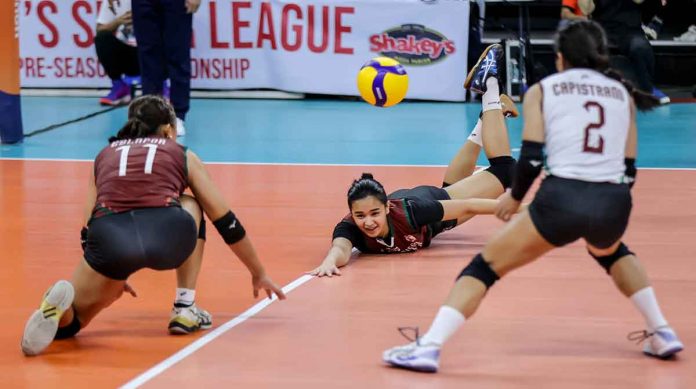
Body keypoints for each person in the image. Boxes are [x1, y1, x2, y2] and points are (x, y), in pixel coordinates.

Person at [383, 21, 683, 373]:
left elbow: (531, 156)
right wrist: (607, 204)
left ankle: (428, 347)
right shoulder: (621, 92)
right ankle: (662, 331)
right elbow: (629, 168)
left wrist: (515, 198)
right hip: (614, 201)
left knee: (484, 267)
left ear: (560, 58)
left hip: (562, 200)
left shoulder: (546, 89)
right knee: (612, 251)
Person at [21, 95, 286, 356]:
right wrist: (258, 271)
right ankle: (184, 307)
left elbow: (88, 225)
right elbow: (227, 222)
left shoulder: (104, 156)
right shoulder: (182, 154)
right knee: (192, 203)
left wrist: (112, 272)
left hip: (110, 240)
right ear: (169, 129)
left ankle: (60, 310)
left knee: (72, 326)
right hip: (167, 234)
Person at [308, 44, 520, 277]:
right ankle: (489, 117)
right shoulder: (351, 228)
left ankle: (489, 84)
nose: (368, 222)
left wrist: (522, 208)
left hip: (431, 203)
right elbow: (340, 248)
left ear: (387, 207)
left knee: (505, 171)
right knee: (452, 189)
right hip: (437, 220)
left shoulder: (413, 212)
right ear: (351, 213)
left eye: (374, 213)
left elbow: (469, 206)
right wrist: (330, 261)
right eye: (360, 215)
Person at [589, 0, 670, 104]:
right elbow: (586, 10)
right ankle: (590, 90)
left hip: (630, 30)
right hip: (601, 30)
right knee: (587, 46)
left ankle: (648, 89)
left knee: (640, 47)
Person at [95, 0, 139, 106]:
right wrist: (118, 21)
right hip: (128, 49)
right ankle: (120, 88)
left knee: (168, 36)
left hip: (150, 49)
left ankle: (161, 87)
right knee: (102, 37)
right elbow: (99, 28)